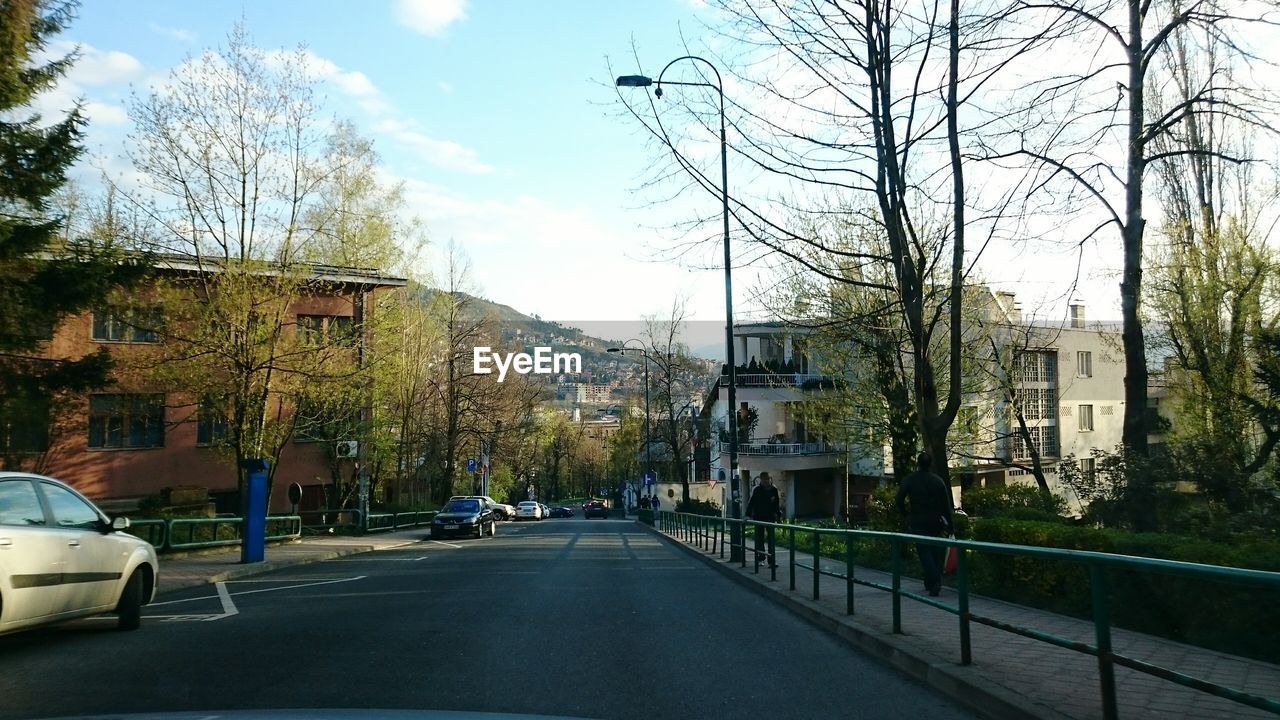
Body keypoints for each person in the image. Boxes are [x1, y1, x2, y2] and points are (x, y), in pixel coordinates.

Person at [895, 452, 954, 597]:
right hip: (936, 521)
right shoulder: (938, 481)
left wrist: (906, 515)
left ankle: (934, 582)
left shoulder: (910, 480)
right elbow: (946, 506)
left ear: (918, 463)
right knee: (934, 551)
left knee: (924, 551)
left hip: (918, 521)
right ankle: (931, 581)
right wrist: (951, 524)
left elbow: (899, 499)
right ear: (931, 464)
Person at [745, 472, 781, 567]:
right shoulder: (757, 490)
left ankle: (771, 561)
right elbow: (751, 503)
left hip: (770, 517)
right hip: (759, 517)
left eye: (767, 479)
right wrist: (747, 515)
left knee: (771, 540)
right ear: (761, 479)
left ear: (770, 479)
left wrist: (778, 515)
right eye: (764, 479)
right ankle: (761, 558)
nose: (766, 481)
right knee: (759, 539)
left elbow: (776, 504)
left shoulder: (773, 490)